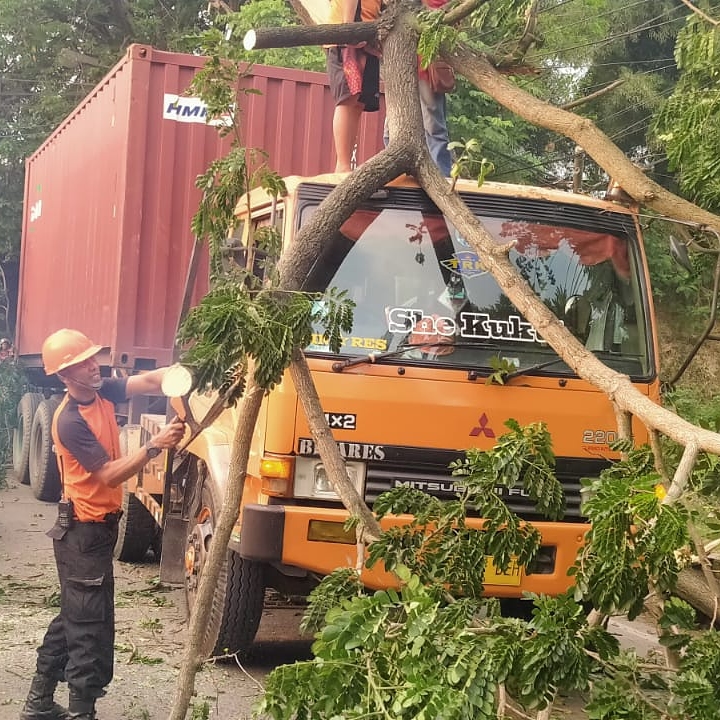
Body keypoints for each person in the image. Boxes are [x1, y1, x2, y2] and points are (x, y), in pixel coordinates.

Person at [19, 328, 185, 720]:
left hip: (96, 532)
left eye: (93, 358)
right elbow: (109, 476)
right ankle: (81, 713)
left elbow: (146, 380)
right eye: (82, 364)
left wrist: (174, 375)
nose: (93, 366)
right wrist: (153, 446)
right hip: (82, 534)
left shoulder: (102, 391)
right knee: (88, 629)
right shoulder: (69, 420)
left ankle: (37, 703)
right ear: (64, 376)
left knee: (74, 617)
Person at [383, 0, 453, 176]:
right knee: (393, 125)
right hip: (400, 68)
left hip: (426, 67)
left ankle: (441, 174)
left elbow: (450, 14)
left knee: (433, 124)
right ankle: (396, 170)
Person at [326, 0, 383, 172]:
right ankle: (343, 165)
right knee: (347, 99)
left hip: (367, 37)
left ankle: (344, 165)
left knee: (358, 103)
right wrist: (348, 31)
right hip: (349, 38)